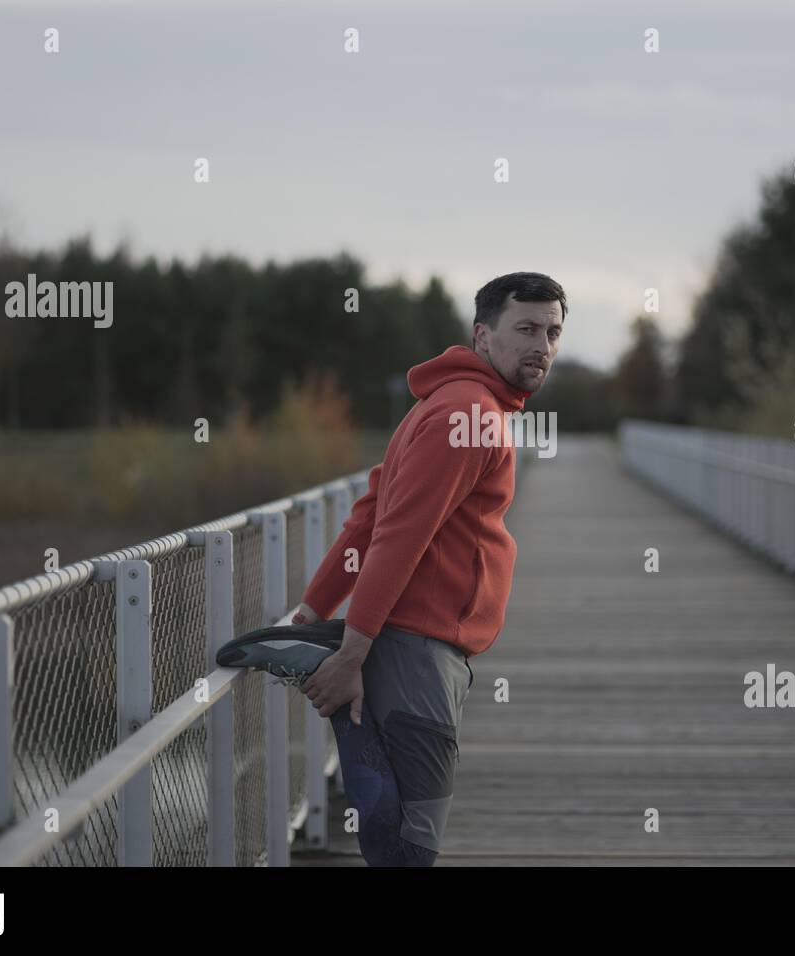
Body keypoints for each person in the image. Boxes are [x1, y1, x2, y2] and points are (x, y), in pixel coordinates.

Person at [219, 272, 565, 865]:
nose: (542, 346)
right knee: (411, 838)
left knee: (396, 827)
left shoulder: (447, 404)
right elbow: (398, 536)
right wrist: (353, 652)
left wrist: (313, 608)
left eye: (553, 332)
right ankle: (326, 655)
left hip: (411, 643)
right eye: (526, 329)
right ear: (483, 337)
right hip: (418, 649)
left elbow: (370, 515)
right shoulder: (472, 415)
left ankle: (317, 649)